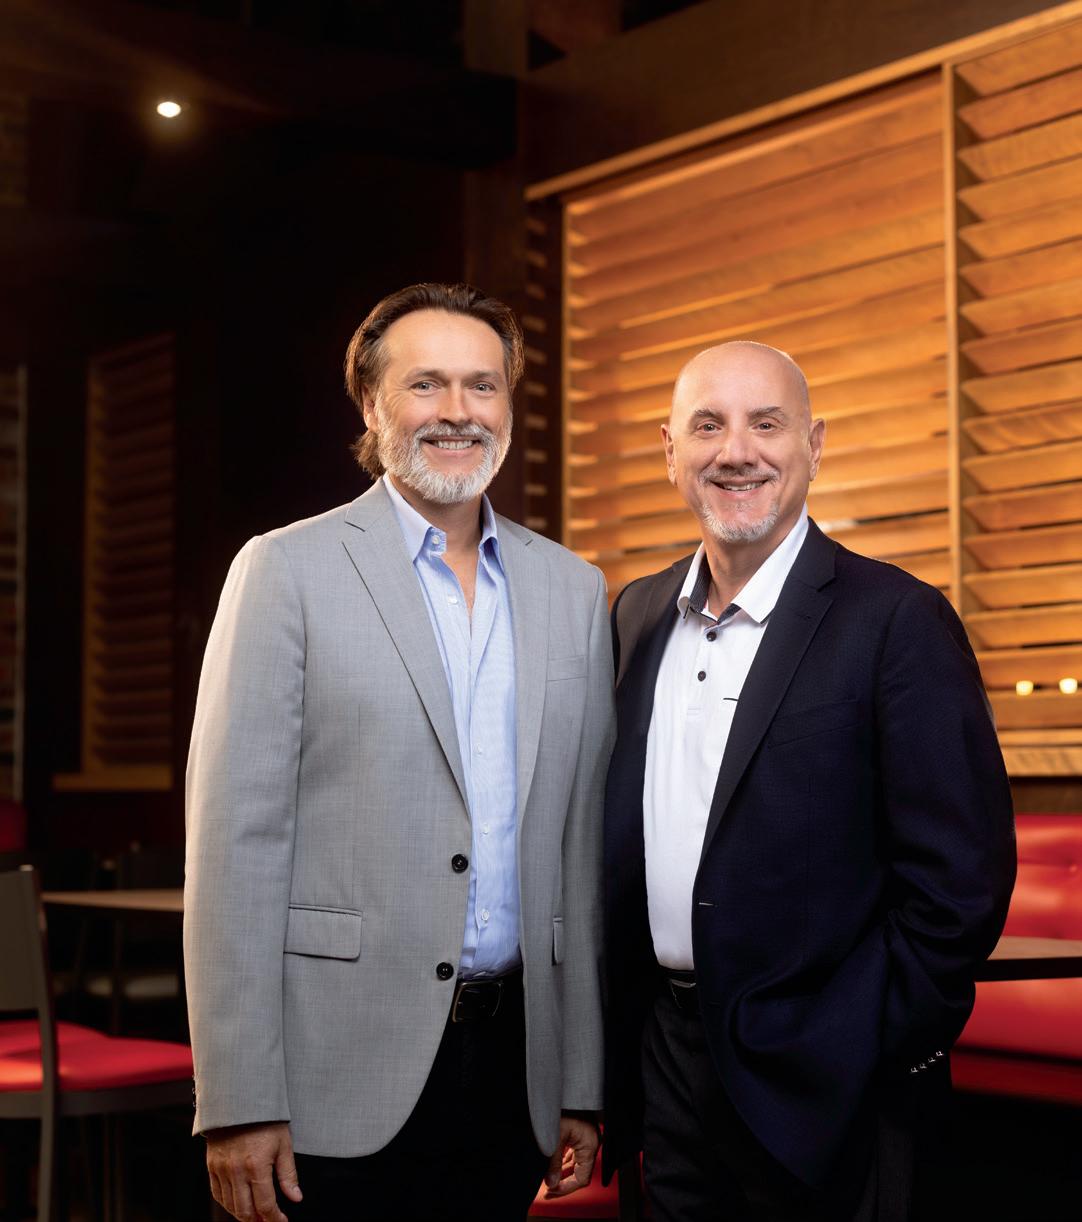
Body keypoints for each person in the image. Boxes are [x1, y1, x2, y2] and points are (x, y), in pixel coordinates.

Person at [184, 282, 614, 1222]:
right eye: (426, 384)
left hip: (514, 1074)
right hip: (332, 1072)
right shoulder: (284, 570)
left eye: (482, 386)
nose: (459, 410)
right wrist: (239, 1097)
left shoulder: (575, 589)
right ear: (372, 407)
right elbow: (232, 850)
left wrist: (581, 1078)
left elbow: (579, 853)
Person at [601, 340, 1015, 1221]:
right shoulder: (636, 613)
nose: (736, 451)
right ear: (669, 451)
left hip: (827, 1087)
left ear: (814, 445)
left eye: (767, 424)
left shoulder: (897, 619)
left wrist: (865, 1039)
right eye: (707, 426)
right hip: (666, 1068)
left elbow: (962, 884)